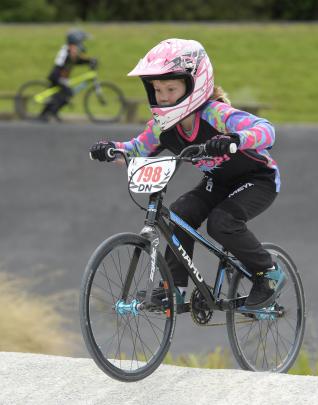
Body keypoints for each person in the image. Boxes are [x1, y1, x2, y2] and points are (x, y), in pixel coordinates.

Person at [89, 38, 286, 310]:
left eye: (171, 88)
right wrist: (112, 149)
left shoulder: (215, 114)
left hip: (257, 179)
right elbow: (137, 148)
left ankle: (268, 274)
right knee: (179, 214)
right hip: (218, 181)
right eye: (158, 90)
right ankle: (175, 288)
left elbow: (267, 130)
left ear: (195, 84)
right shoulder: (163, 127)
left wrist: (235, 139)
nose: (164, 96)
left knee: (221, 222)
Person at [39, 29, 97, 122]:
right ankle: (50, 113)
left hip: (60, 76)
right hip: (57, 76)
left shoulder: (69, 49)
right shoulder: (69, 49)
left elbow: (76, 60)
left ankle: (49, 113)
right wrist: (88, 60)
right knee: (66, 93)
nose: (81, 44)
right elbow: (75, 59)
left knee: (60, 95)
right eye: (81, 41)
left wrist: (89, 60)